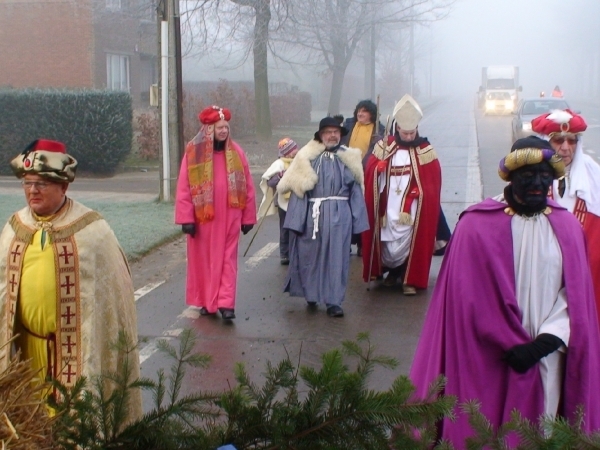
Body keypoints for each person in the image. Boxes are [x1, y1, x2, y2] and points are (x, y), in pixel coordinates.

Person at [410, 136, 600, 446]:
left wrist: (546, 342)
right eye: (528, 175)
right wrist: (503, 337)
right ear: (510, 176)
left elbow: (576, 296)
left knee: (540, 430)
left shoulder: (567, 226)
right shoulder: (474, 225)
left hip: (547, 356)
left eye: (545, 175)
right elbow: (463, 296)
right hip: (485, 354)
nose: (538, 183)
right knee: (481, 427)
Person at [0, 139, 142, 421]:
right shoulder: (15, 227)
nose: (33, 191)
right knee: (28, 426)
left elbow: (113, 301)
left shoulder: (92, 231)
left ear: (63, 186)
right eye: (27, 183)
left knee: (71, 427)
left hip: (76, 357)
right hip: (27, 354)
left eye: (41, 183)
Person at [277, 117, 368, 317]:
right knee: (310, 255)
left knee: (337, 258)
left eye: (336, 132)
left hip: (340, 217)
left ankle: (334, 301)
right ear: (321, 135)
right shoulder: (307, 158)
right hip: (312, 216)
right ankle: (311, 293)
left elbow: (355, 192)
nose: (332, 135)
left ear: (340, 135)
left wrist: (358, 223)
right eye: (328, 132)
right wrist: (295, 222)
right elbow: (299, 190)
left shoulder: (349, 159)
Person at [175, 105, 257, 320]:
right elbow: (184, 187)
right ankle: (205, 301)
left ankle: (226, 303)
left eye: (226, 127)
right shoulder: (194, 154)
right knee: (203, 261)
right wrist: (186, 218)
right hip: (204, 220)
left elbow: (248, 185)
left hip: (230, 216)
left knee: (228, 260)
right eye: (219, 127)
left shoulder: (237, 153)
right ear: (209, 130)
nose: (223, 131)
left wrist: (248, 217)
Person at [361, 94, 441, 295]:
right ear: (397, 128)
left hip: (413, 204)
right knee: (388, 240)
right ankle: (392, 273)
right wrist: (377, 170)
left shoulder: (425, 150)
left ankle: (409, 279)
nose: (408, 137)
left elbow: (432, 181)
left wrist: (420, 192)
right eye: (404, 133)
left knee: (411, 239)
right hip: (388, 204)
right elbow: (369, 172)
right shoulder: (384, 147)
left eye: (412, 133)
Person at [531, 109, 600, 322]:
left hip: (585, 267)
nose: (565, 147)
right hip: (543, 267)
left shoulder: (594, 176)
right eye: (558, 140)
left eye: (571, 141)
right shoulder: (530, 175)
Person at [341, 100, 385, 257]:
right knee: (345, 209)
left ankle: (362, 243)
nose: (360, 114)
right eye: (359, 110)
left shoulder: (379, 129)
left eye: (364, 111)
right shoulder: (348, 125)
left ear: (372, 114)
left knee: (362, 209)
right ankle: (345, 243)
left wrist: (379, 141)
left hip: (366, 173)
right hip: (346, 171)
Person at [257, 137, 299, 265]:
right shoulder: (279, 164)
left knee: (297, 228)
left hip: (297, 199)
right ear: (287, 152)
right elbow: (270, 182)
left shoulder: (299, 162)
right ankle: (284, 254)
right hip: (283, 201)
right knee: (285, 228)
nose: (297, 150)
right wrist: (280, 175)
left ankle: (296, 252)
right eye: (293, 149)